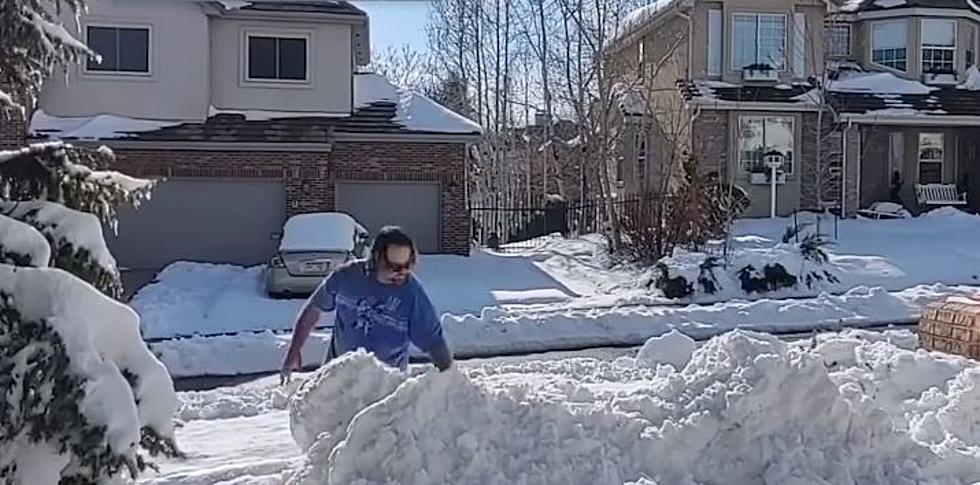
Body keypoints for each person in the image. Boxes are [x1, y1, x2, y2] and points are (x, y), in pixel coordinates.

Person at [280, 226, 453, 383]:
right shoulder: (347, 276)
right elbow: (313, 309)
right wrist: (293, 352)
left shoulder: (412, 293)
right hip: (337, 380)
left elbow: (434, 341)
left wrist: (451, 383)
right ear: (376, 257)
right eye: (392, 266)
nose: (400, 274)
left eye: (406, 266)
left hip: (384, 388)